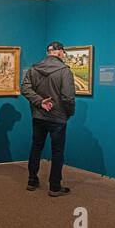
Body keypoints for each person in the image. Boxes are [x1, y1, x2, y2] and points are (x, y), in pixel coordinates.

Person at [21, 41, 76, 197]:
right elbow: (68, 98)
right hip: (57, 118)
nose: (64, 56)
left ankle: (32, 180)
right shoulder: (64, 71)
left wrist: (39, 102)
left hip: (39, 115)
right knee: (57, 151)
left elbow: (25, 88)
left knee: (36, 147)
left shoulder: (34, 68)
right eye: (64, 53)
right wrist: (69, 113)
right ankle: (54, 186)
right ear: (59, 52)